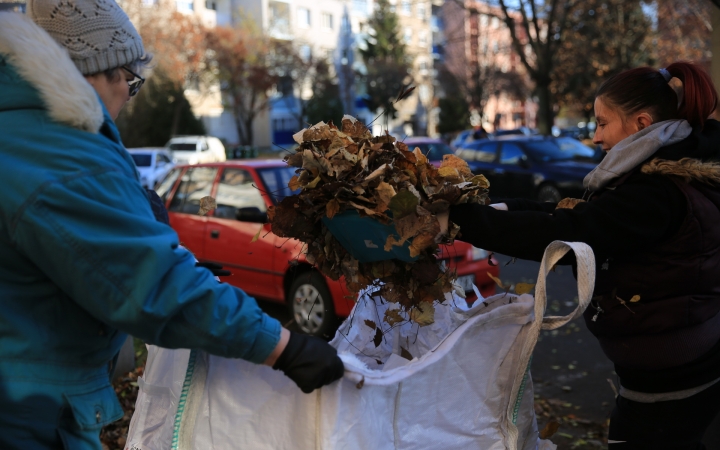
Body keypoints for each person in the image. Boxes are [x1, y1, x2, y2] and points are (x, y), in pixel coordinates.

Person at [0, 2, 343, 449]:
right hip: (27, 413)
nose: (128, 97)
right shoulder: (61, 151)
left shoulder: (20, 128)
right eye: (132, 82)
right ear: (103, 72)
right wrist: (284, 347)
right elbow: (153, 288)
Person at [442, 62, 720, 449]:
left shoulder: (659, 194)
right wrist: (492, 210)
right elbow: (576, 216)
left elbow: (572, 233)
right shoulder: (659, 177)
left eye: (603, 123)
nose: (595, 137)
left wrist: (461, 221)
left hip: (670, 385)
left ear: (641, 124)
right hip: (669, 372)